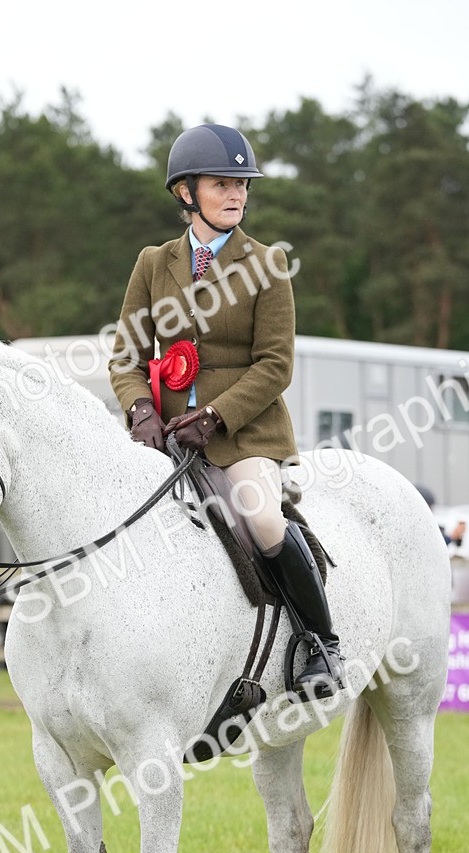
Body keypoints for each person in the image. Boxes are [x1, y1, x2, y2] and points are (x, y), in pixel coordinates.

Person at [108, 122, 343, 698]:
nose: (237, 194)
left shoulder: (268, 264)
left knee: (262, 518)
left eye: (241, 184)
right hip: (164, 437)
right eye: (222, 184)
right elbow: (126, 356)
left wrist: (214, 416)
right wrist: (140, 410)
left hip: (243, 436)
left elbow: (275, 365)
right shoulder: (153, 263)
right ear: (185, 192)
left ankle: (321, 645)